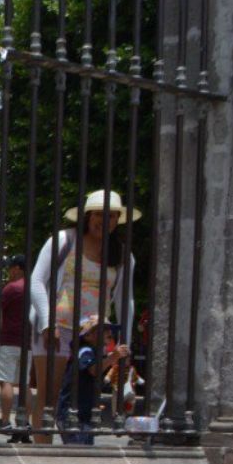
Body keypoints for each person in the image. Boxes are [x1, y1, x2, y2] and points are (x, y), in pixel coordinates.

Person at [28, 189, 138, 444]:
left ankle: (73, 449)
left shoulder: (122, 255)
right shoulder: (64, 240)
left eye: (111, 216)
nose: (105, 220)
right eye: (100, 214)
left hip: (92, 337)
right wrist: (47, 322)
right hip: (55, 329)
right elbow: (36, 281)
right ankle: (40, 455)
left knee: (81, 398)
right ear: (87, 215)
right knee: (49, 396)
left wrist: (126, 343)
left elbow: (125, 300)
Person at [56, 315, 130, 445]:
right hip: (72, 413)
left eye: (109, 329)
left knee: (84, 451)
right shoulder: (85, 350)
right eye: (104, 329)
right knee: (78, 452)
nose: (109, 332)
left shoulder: (94, 352)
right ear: (88, 335)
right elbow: (93, 369)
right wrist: (114, 356)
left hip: (83, 413)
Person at [0, 254, 30, 438]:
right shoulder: (34, 287)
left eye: (10, 268)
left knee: (5, 381)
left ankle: (5, 421)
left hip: (9, 341)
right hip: (28, 342)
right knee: (25, 383)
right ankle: (25, 423)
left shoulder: (11, 288)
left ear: (17, 268)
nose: (8, 271)